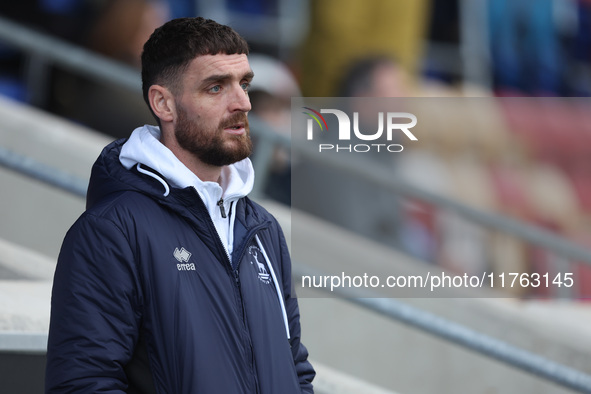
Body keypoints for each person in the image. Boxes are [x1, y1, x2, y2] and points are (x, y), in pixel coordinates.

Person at [45, 17, 315, 393]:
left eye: (245, 84)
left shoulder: (262, 229)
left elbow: (295, 369)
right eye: (216, 87)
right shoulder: (112, 230)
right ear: (163, 103)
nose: (243, 103)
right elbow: (84, 383)